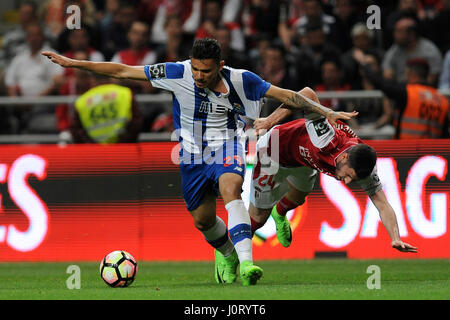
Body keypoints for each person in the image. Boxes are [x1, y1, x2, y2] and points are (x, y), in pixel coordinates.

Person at [42, 38, 356, 285]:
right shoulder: (177, 73)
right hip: (191, 154)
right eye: (196, 69)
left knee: (232, 189)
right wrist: (73, 64)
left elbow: (287, 95)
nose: (199, 76)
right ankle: (229, 255)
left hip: (228, 145)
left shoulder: (243, 80)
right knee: (203, 220)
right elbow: (123, 71)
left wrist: (327, 112)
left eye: (205, 70)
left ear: (220, 65)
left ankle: (247, 263)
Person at [249, 87, 418, 254]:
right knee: (259, 216)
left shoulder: (364, 166)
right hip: (274, 149)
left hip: (302, 161)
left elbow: (383, 204)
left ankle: (279, 214)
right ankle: (228, 253)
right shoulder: (326, 139)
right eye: (349, 175)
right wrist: (270, 120)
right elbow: (307, 94)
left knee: (298, 196)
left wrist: (395, 238)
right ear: (344, 158)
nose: (347, 182)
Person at [354, 49, 449, 139]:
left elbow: (378, 82)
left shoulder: (407, 92)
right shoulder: (442, 100)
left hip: (407, 150)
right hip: (433, 152)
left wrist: (364, 63)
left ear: (410, 73)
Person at [70, 74, 142, 144]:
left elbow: (76, 130)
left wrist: (92, 146)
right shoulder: (125, 93)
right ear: (113, 77)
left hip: (95, 153)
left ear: (92, 80)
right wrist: (123, 143)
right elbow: (136, 122)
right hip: (122, 150)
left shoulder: (82, 101)